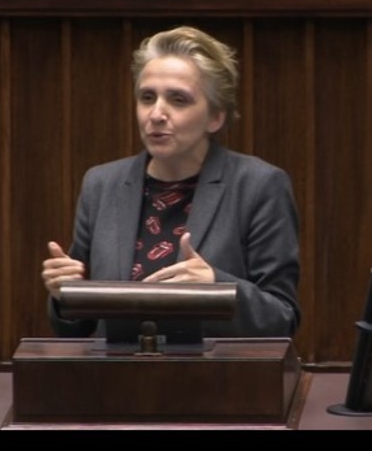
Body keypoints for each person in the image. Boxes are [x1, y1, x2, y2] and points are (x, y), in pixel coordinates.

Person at [42, 26, 300, 338]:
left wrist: (215, 287)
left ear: (215, 117)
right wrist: (66, 294)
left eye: (178, 100)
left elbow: (281, 317)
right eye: (147, 98)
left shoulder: (259, 186)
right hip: (115, 368)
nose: (156, 114)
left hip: (217, 369)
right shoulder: (102, 185)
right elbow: (79, 330)